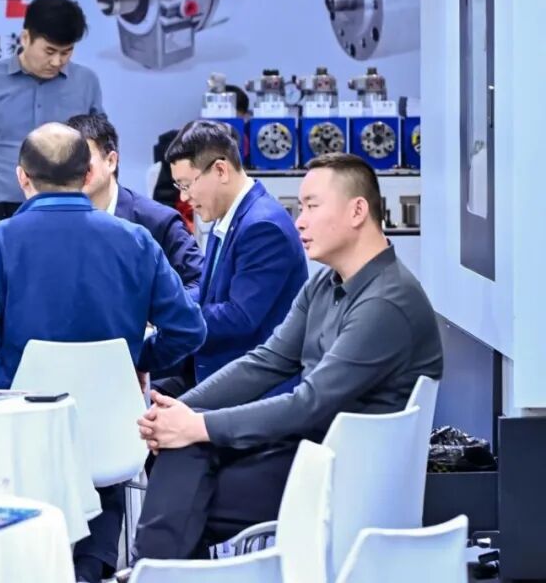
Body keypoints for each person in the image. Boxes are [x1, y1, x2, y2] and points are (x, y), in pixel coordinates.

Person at [126, 153, 443, 566]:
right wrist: (179, 412)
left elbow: (309, 403)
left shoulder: (386, 302)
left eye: (311, 206)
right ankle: (154, 569)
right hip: (305, 448)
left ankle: (150, 568)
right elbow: (266, 362)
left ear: (357, 211)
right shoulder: (326, 284)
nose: (299, 222)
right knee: (182, 454)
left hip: (342, 469)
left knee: (185, 488)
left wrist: (195, 424)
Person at [0, 123, 207, 583]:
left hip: (23, 435)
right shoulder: (136, 240)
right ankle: (90, 570)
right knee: (100, 473)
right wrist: (136, 360)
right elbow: (189, 330)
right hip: (110, 435)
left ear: (22, 177)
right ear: (88, 172)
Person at [156, 120, 307, 393]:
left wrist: (170, 313)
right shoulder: (228, 216)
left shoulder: (263, 227)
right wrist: (162, 301)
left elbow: (239, 316)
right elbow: (210, 293)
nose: (184, 197)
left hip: (256, 391)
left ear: (220, 170)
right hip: (223, 376)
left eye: (186, 185)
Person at [0, 0, 103, 231]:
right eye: (49, 51)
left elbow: (99, 149)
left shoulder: (86, 83)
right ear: (25, 38)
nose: (57, 61)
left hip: (71, 213)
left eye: (66, 52)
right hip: (3, 215)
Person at [67, 113, 203, 291]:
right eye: (67, 164)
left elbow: (199, 283)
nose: (75, 170)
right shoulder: (56, 221)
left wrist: (157, 308)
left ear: (111, 161)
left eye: (83, 162)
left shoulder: (158, 222)